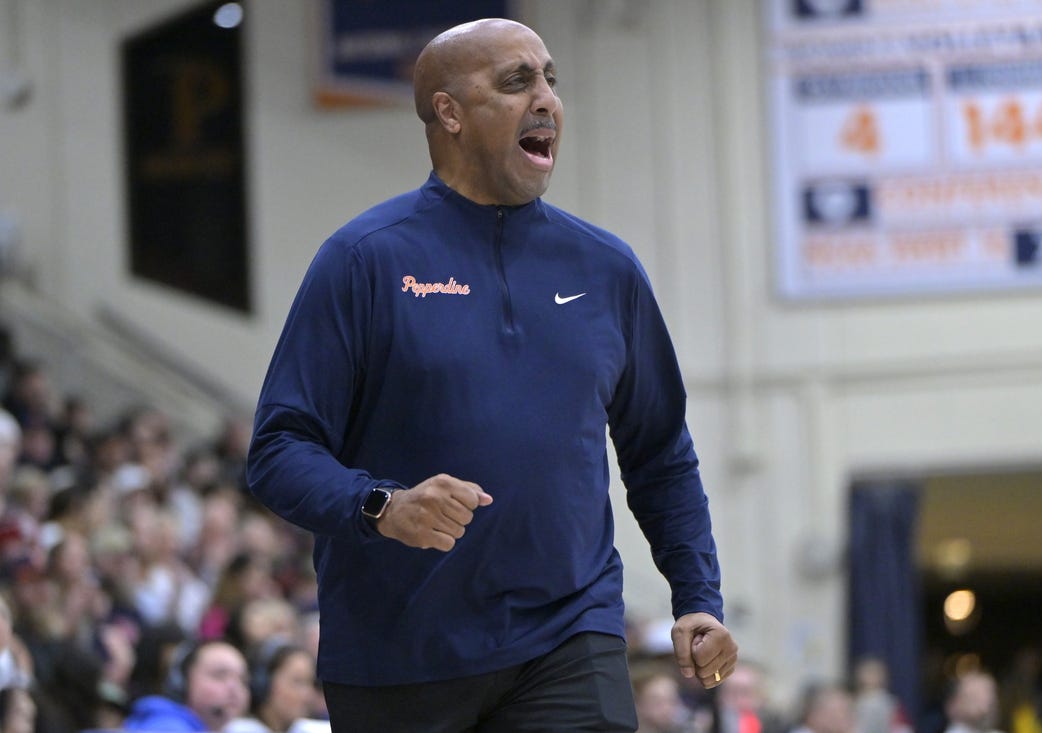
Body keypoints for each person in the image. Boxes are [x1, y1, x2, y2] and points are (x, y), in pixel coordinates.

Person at [246, 15, 736, 732]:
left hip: (569, 634)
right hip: (399, 655)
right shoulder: (362, 261)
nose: (546, 99)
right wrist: (382, 506)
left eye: (549, 79)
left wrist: (697, 596)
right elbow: (277, 450)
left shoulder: (606, 269)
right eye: (515, 82)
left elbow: (659, 451)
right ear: (447, 111)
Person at [123, 639, 249, 732]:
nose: (235, 688)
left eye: (243, 680)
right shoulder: (165, 726)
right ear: (182, 681)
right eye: (219, 675)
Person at [225, 640, 330, 733]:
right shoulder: (235, 729)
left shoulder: (309, 729)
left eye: (310, 683)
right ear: (264, 683)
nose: (308, 695)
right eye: (297, 682)